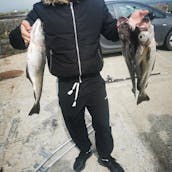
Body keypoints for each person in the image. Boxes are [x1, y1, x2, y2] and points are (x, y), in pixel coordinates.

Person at [9, 0, 148, 171]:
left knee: (103, 125)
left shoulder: (96, 4)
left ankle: (105, 156)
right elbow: (16, 41)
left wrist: (130, 25)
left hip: (94, 82)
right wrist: (20, 33)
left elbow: (112, 32)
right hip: (66, 84)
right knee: (74, 125)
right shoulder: (41, 8)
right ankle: (85, 150)